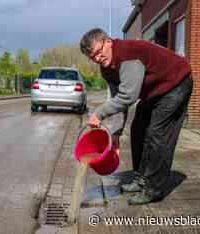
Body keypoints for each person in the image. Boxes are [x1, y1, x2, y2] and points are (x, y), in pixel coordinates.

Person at [80, 28, 193, 205]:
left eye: (98, 52)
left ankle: (154, 189)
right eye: (92, 57)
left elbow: (128, 96)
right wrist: (116, 134)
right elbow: (120, 102)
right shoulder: (107, 69)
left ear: (108, 42)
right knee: (138, 129)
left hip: (175, 84)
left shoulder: (127, 53)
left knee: (157, 135)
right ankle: (141, 178)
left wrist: (98, 114)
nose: (97, 58)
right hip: (154, 91)